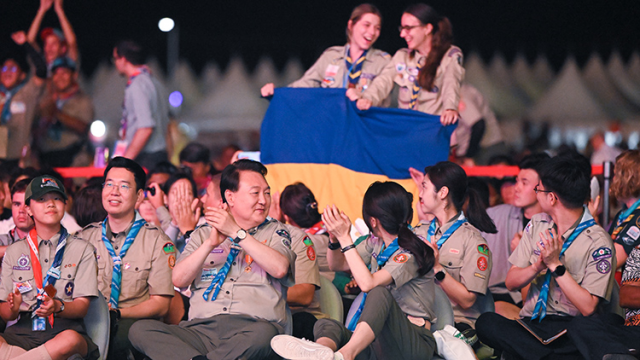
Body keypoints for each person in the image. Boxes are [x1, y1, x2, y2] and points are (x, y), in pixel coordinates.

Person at [129, 159, 295, 360]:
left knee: (266, 335)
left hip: (252, 330)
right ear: (230, 197)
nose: (263, 200)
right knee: (140, 330)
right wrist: (209, 244)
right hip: (200, 332)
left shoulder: (277, 231)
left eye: (266, 193)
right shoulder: (203, 233)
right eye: (255, 193)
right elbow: (179, 280)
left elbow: (279, 269)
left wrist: (237, 233)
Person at [272, 181, 440, 360]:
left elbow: (368, 284)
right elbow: (338, 265)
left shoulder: (411, 252)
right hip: (379, 341)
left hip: (413, 343)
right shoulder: (375, 242)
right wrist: (335, 239)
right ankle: (321, 353)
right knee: (327, 325)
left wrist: (346, 238)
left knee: (379, 293)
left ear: (373, 221)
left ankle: (345, 356)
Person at [476, 154, 616, 360]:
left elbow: (587, 308)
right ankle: (546, 355)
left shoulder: (598, 241)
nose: (536, 193)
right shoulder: (537, 223)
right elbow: (511, 283)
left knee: (585, 331)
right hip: (532, 325)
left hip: (570, 329)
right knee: (486, 323)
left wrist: (555, 265)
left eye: (538, 189)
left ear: (551, 198)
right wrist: (537, 266)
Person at [76, 157, 175, 360]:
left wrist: (118, 313)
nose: (114, 191)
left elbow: (161, 304)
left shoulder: (157, 241)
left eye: (123, 186)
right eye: (109, 184)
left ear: (139, 197)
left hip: (131, 322)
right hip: (87, 320)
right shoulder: (83, 238)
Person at [0, 175, 99, 359]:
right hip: (24, 330)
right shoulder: (14, 252)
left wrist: (58, 306)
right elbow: (5, 313)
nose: (51, 204)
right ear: (28, 209)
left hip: (64, 329)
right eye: (42, 199)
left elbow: (82, 307)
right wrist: (12, 308)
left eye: (57, 198)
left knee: (70, 340)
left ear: (65, 204)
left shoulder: (83, 249)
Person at [418, 161, 495, 347]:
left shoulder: (474, 242)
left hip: (456, 324)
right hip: (419, 317)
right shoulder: (418, 233)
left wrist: (437, 268)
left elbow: (468, 300)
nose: (420, 194)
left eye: (424, 187)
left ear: (443, 193)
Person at [352, 4, 464, 126]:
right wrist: (368, 99)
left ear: (427, 29)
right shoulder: (403, 56)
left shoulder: (449, 55)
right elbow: (383, 81)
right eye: (402, 29)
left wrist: (450, 108)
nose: (402, 34)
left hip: (431, 129)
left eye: (408, 28)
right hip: (405, 127)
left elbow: (451, 82)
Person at [261, 4, 390, 97]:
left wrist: (364, 97)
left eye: (377, 28)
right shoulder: (331, 57)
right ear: (351, 25)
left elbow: (381, 93)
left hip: (364, 129)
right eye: (366, 25)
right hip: (334, 127)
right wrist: (277, 93)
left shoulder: (383, 62)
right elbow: (305, 85)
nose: (372, 32)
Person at [482, 153, 550, 319]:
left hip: (533, 301)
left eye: (524, 182)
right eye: (516, 181)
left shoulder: (553, 225)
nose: (516, 188)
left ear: (542, 186)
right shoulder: (495, 215)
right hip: (494, 293)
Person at [113, 40, 170, 170]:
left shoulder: (137, 84)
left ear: (123, 59)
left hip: (146, 156)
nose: (115, 63)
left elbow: (146, 128)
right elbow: (167, 126)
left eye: (115, 58)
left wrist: (124, 163)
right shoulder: (155, 82)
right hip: (160, 154)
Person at [33, 57, 93, 167]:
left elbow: (84, 128)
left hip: (72, 158)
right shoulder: (44, 99)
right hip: (45, 159)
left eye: (65, 73)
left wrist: (56, 114)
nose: (60, 77)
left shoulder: (82, 100)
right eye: (56, 73)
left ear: (74, 75)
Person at [1, 32, 47, 165]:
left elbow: (41, 70)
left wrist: (26, 44)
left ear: (22, 75)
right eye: (4, 68)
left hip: (19, 160)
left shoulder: (27, 93)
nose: (8, 71)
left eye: (13, 68)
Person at [607, 150, 640, 278]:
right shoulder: (624, 213)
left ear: (628, 179)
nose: (612, 180)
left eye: (615, 175)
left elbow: (609, 263)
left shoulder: (638, 218)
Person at [27, 0, 79, 71]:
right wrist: (42, 10)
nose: (49, 48)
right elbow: (30, 41)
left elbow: (72, 43)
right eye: (46, 44)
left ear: (63, 49)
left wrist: (59, 10)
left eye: (54, 43)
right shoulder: (40, 63)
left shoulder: (67, 63)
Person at [0, 179, 35, 261]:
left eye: (27, 204)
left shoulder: (52, 241)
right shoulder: (3, 241)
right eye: (17, 204)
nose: (21, 210)